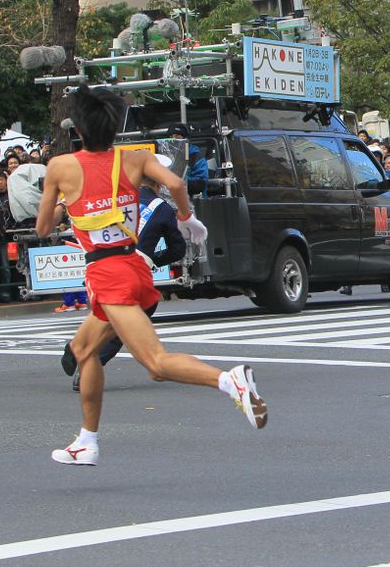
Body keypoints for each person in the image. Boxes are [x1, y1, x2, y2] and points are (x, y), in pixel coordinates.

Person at [38, 86, 267, 466]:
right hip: (135, 265)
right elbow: (176, 184)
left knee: (156, 364)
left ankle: (230, 381)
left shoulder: (60, 168)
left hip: (107, 271)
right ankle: (87, 441)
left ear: (77, 129)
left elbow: (44, 227)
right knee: (83, 349)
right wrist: (186, 217)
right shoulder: (134, 159)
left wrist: (65, 205)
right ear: (115, 126)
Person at [63, 155, 189, 392]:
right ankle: (88, 362)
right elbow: (178, 249)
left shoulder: (118, 200)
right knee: (125, 325)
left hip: (101, 267)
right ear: (159, 183)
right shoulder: (162, 209)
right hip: (134, 270)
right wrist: (154, 258)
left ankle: (77, 348)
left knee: (107, 318)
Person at [168, 123, 209, 195]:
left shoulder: (195, 155)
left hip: (194, 200)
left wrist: (178, 182)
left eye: (177, 136)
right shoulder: (166, 155)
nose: (173, 139)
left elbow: (201, 183)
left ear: (185, 139)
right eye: (171, 136)